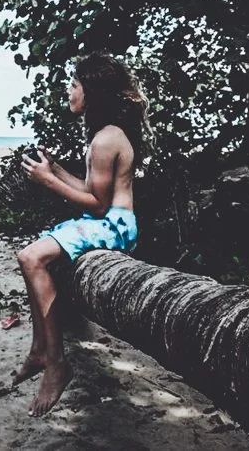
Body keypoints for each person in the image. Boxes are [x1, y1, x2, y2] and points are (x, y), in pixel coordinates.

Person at [15, 52, 152, 416]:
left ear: (92, 91)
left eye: (75, 85)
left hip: (114, 226)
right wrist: (56, 168)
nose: (70, 91)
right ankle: (38, 351)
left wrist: (46, 181)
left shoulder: (107, 139)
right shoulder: (104, 136)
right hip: (110, 220)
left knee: (31, 257)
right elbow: (91, 188)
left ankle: (56, 364)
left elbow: (97, 205)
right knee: (34, 255)